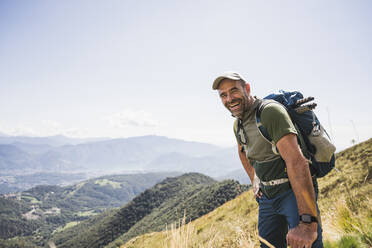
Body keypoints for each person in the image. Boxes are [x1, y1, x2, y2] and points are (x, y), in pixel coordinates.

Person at [212, 71, 323, 248]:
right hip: (267, 198)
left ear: (247, 88)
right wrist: (255, 180)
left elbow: (297, 162)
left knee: (304, 243)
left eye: (234, 91)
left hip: (292, 193)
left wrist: (308, 224)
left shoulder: (269, 112)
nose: (229, 99)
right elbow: (242, 151)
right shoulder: (238, 123)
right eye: (223, 95)